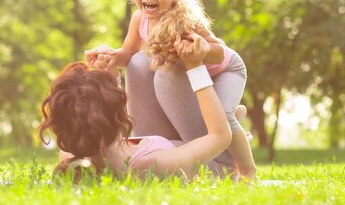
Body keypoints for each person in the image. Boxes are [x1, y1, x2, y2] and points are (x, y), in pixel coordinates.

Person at [84, 0, 256, 178]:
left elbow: (219, 52)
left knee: (224, 114)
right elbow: (130, 53)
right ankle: (230, 117)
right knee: (140, 62)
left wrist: (200, 51)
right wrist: (113, 57)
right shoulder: (139, 20)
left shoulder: (185, 20)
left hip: (224, 70)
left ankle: (247, 170)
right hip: (190, 79)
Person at [38, 34, 234, 179]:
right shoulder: (147, 165)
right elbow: (220, 137)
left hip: (172, 142)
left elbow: (96, 112)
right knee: (168, 72)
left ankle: (235, 115)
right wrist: (195, 66)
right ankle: (234, 117)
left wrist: (109, 72)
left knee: (139, 61)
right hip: (219, 159)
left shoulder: (74, 153)